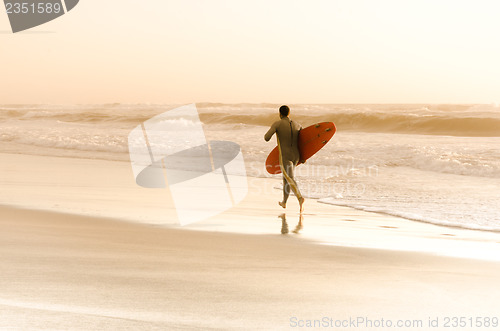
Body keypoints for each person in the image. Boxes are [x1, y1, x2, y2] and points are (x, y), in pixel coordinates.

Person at [264, 105, 304, 213]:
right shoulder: (298, 125)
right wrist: (304, 157)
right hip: (296, 156)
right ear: (289, 113)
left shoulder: (278, 123)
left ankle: (300, 198)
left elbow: (266, 138)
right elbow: (304, 141)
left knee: (289, 178)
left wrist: (276, 130)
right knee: (286, 178)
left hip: (285, 156)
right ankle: (284, 202)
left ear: (280, 113)